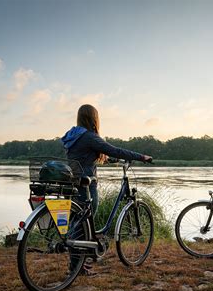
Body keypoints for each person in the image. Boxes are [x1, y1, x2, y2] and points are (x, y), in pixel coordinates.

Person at [61, 104, 152, 274]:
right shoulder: (88, 136)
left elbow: (86, 155)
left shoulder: (72, 135)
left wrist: (111, 161)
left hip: (73, 182)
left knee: (78, 224)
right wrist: (141, 157)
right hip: (86, 184)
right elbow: (114, 150)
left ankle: (79, 264)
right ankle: (77, 267)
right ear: (93, 118)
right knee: (81, 227)